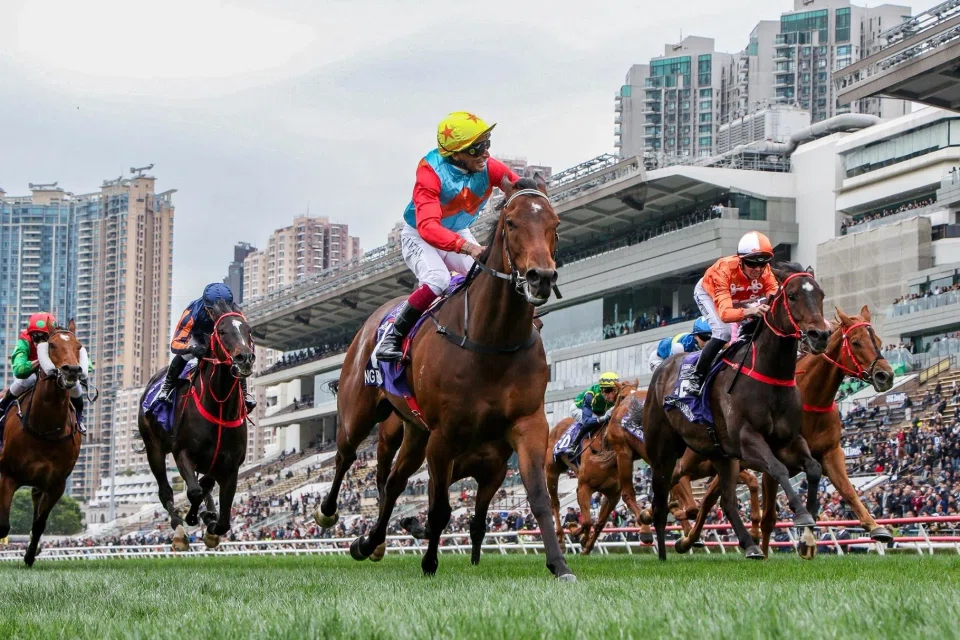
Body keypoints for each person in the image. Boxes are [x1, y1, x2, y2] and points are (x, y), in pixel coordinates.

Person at [374, 111, 522, 362]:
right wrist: (467, 247)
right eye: (477, 149)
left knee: (487, 274)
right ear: (456, 154)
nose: (486, 153)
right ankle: (393, 337)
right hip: (420, 234)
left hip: (456, 230)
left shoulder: (488, 166)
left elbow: (519, 187)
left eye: (487, 145)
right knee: (437, 279)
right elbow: (429, 228)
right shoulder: (430, 172)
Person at [687, 231, 779, 396]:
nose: (757, 270)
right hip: (711, 294)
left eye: (762, 264)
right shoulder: (724, 270)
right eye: (751, 264)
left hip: (741, 296)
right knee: (724, 332)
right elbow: (726, 314)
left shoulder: (766, 272)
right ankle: (696, 376)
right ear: (741, 261)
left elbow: (776, 299)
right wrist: (751, 310)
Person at [156, 283, 256, 410]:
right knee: (186, 355)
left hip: (221, 338)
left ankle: (244, 394)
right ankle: (167, 387)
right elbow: (176, 343)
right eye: (213, 312)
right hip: (198, 338)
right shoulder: (191, 312)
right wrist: (191, 348)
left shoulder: (236, 312)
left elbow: (242, 336)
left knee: (236, 356)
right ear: (206, 308)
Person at [0, 312, 87, 435]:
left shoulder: (59, 338)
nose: (39, 341)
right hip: (30, 373)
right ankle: (2, 408)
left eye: (44, 338)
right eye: (35, 337)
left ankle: (79, 418)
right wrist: (39, 361)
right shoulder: (24, 340)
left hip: (56, 373)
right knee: (25, 381)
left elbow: (80, 361)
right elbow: (19, 369)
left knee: (76, 387)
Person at [554, 372, 620, 462]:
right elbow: (586, 420)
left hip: (599, 410)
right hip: (580, 408)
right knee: (592, 423)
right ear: (601, 389)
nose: (611, 395)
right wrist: (603, 418)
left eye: (614, 391)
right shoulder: (590, 396)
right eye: (608, 391)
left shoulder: (616, 395)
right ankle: (573, 445)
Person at [648, 317, 712, 372]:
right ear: (695, 336)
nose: (708, 342)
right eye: (704, 337)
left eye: (711, 338)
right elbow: (673, 367)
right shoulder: (684, 346)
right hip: (659, 359)